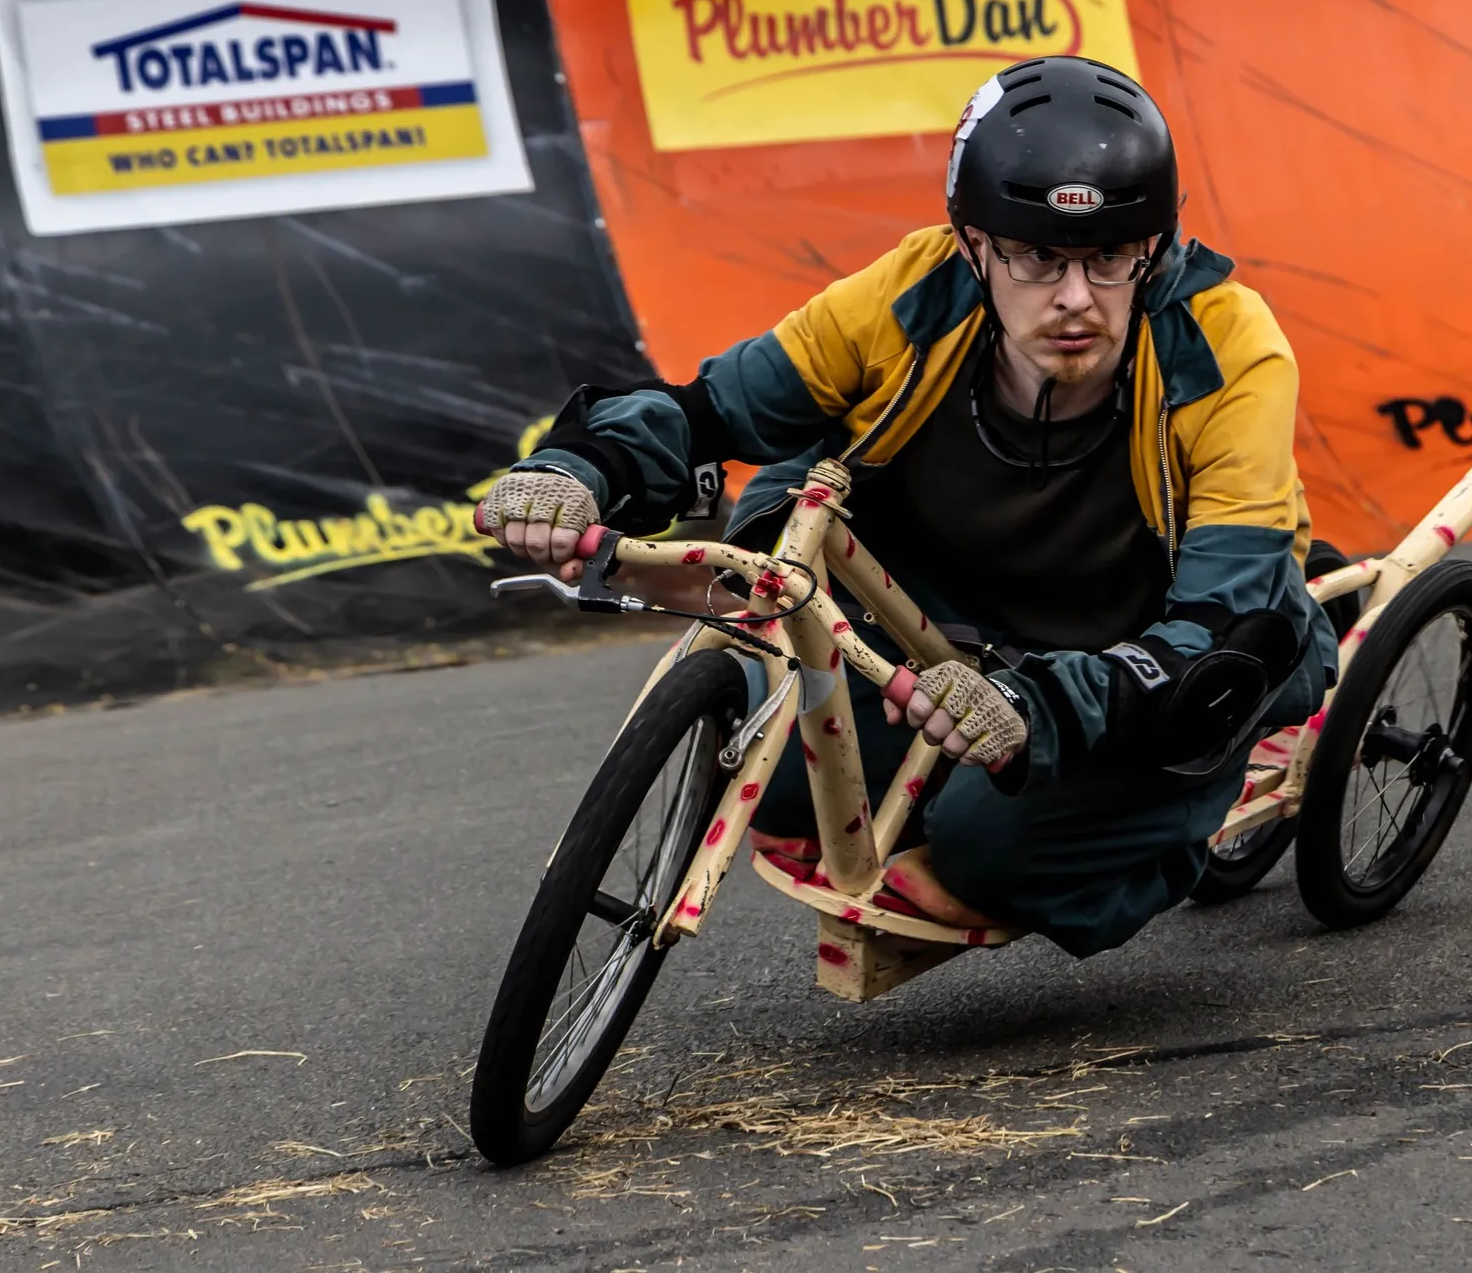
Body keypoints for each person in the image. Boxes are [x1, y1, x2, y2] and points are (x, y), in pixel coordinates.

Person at [478, 57, 1338, 957]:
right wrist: (579, 469)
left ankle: (1169, 844)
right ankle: (978, 769)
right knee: (765, 767)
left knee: (983, 849)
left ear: (1152, 248)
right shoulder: (910, 293)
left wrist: (1034, 708)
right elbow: (711, 409)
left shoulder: (1230, 346)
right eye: (1040, 257)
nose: (1076, 298)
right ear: (974, 244)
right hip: (944, 624)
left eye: (1110, 259)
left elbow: (1223, 622)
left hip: (1144, 652)